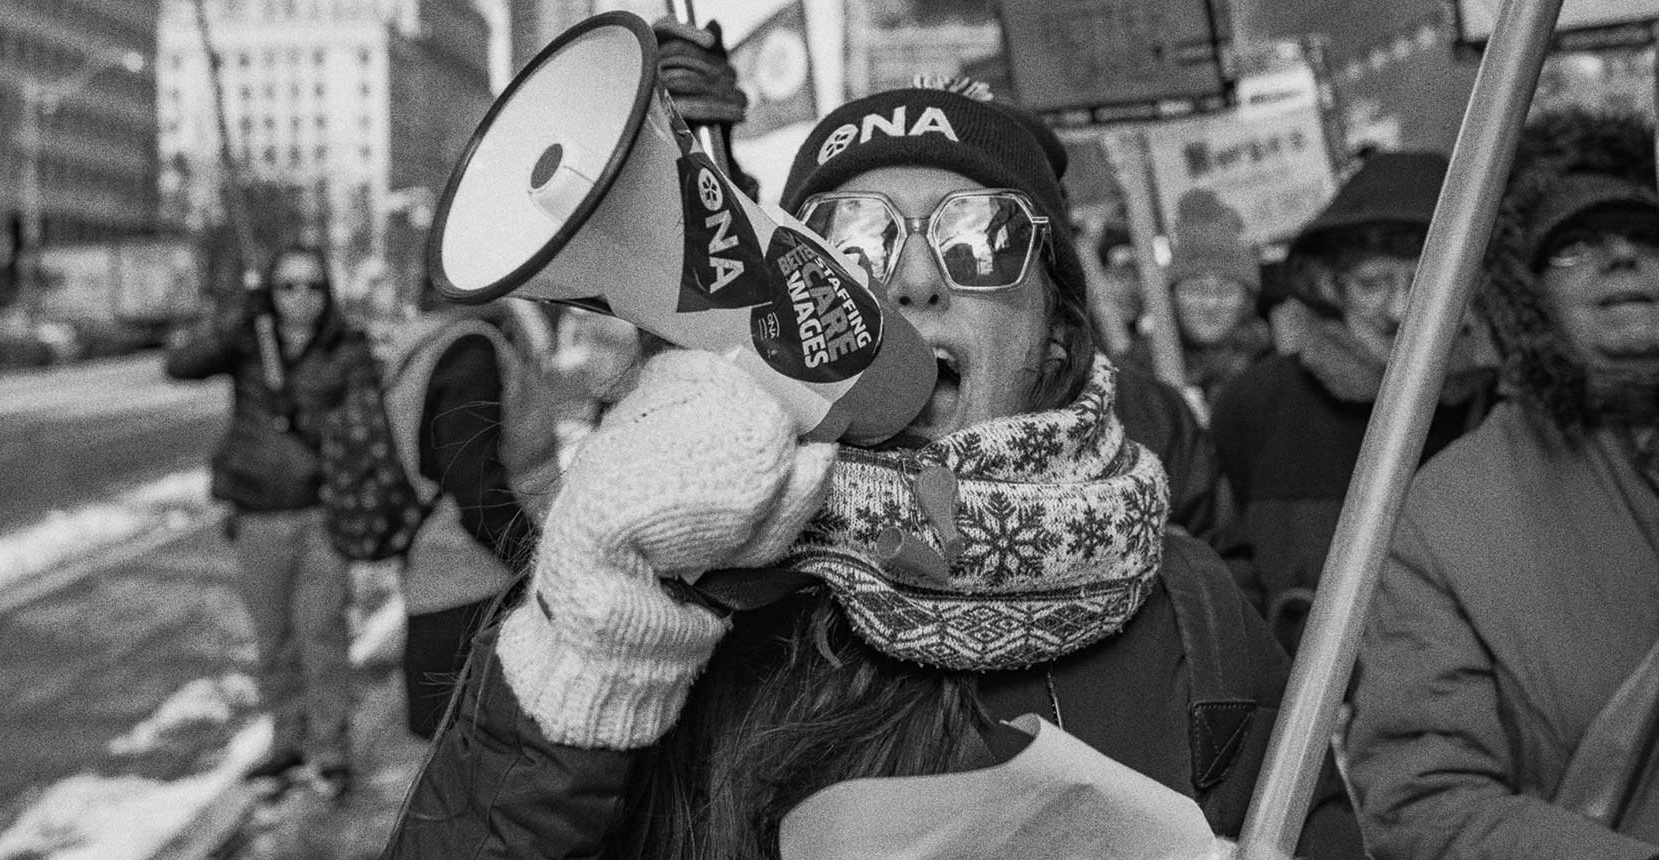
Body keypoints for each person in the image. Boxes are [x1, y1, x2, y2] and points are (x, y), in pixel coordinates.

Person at [384, 78, 1361, 860]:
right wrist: (586, 657)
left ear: (1055, 336)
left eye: (979, 235)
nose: (913, 277)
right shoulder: (661, 591)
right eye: (855, 239)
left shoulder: (1192, 608)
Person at [1346, 109, 1659, 860]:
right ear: (1521, 297)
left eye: (1647, 234)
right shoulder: (1443, 516)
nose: (1622, 257)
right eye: (1576, 246)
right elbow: (1424, 799)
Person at [1209, 151, 1496, 650]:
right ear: (1329, 286)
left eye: (1430, 281)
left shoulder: (1505, 403)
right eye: (1372, 283)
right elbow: (1230, 580)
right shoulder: (1255, 407)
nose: (1399, 309)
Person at [165, 245, 370, 792]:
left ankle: (331, 752)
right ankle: (287, 744)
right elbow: (179, 365)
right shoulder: (249, 343)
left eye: (313, 287)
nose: (300, 298)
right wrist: (238, 316)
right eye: (287, 287)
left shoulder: (347, 351)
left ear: (328, 294)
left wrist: (318, 434)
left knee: (322, 638)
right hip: (256, 516)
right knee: (274, 642)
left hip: (322, 515)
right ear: (270, 294)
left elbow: (365, 427)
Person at [377, 292, 547, 740]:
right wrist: (536, 565)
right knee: (474, 750)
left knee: (455, 754)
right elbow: (475, 484)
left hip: (443, 567)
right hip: (475, 582)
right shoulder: (470, 348)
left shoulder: (431, 341)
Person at [1160, 189, 1271, 409]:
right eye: (1195, 290)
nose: (1211, 304)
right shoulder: (1143, 373)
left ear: (1247, 302)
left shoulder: (1275, 372)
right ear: (1172, 298)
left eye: (1226, 291)